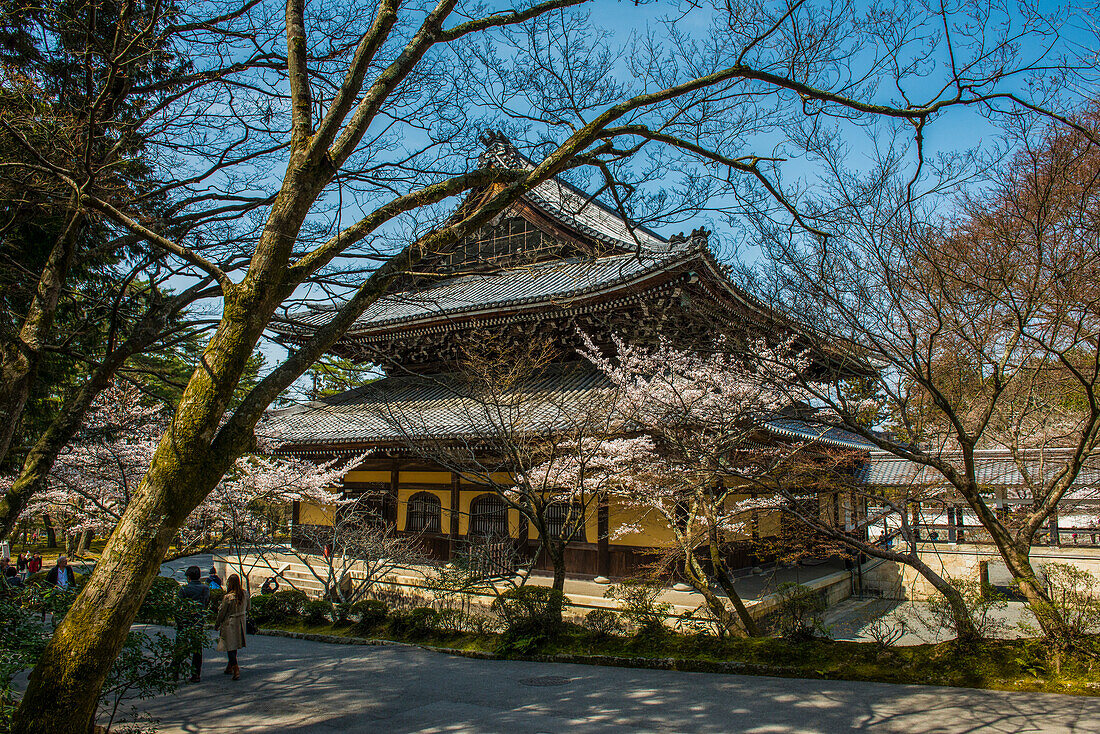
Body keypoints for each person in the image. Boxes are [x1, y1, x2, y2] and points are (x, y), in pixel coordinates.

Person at [177, 565, 211, 683]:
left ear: (188, 577)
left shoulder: (184, 589)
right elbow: (206, 602)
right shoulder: (205, 589)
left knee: (181, 646)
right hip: (198, 621)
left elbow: (178, 606)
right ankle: (196, 673)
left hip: (185, 621)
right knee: (197, 649)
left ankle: (175, 671)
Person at [214, 574, 248, 680]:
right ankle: (229, 666)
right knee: (235, 644)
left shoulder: (228, 597)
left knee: (230, 646)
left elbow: (222, 612)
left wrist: (217, 623)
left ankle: (235, 668)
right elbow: (249, 607)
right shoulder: (245, 594)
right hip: (241, 622)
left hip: (230, 622)